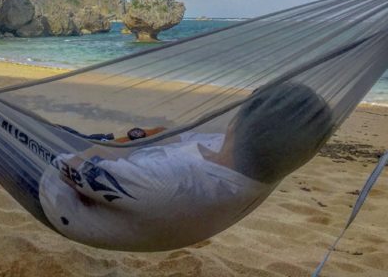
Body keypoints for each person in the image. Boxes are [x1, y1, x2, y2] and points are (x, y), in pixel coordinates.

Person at [39, 81, 334, 252]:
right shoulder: (256, 164)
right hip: (118, 154)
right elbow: (171, 134)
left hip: (59, 187)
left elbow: (69, 166)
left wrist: (116, 143)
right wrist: (133, 138)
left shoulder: (169, 184)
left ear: (239, 121)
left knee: (40, 130)